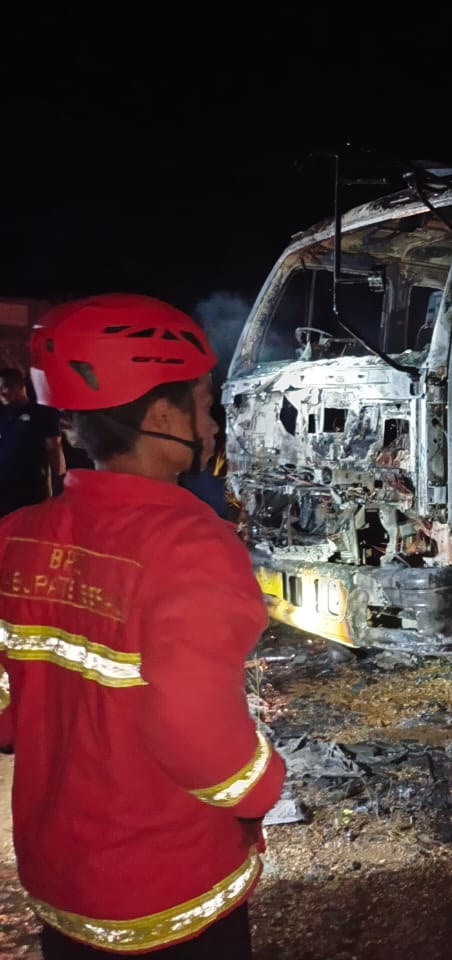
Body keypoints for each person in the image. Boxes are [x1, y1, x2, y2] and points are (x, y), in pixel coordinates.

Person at [0, 293, 285, 957]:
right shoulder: (193, 546)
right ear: (162, 416)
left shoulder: (15, 536)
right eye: (205, 405)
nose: (212, 425)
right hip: (170, 891)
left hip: (61, 879)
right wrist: (262, 789)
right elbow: (192, 733)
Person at [0, 366, 65, 515]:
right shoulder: (3, 412)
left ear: (19, 386)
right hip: (4, 484)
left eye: (4, 388)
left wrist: (59, 482)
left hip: (30, 484)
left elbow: (54, 449)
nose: (1, 393)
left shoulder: (42, 412)